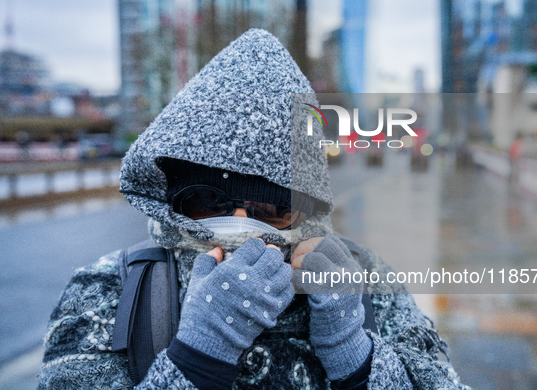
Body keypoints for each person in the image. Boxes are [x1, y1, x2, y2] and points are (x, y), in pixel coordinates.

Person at [38, 29, 469, 390]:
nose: (242, 227)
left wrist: (355, 356)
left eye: (272, 208)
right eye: (209, 202)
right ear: (172, 198)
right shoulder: (112, 290)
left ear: (308, 210)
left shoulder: (370, 285)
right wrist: (195, 359)